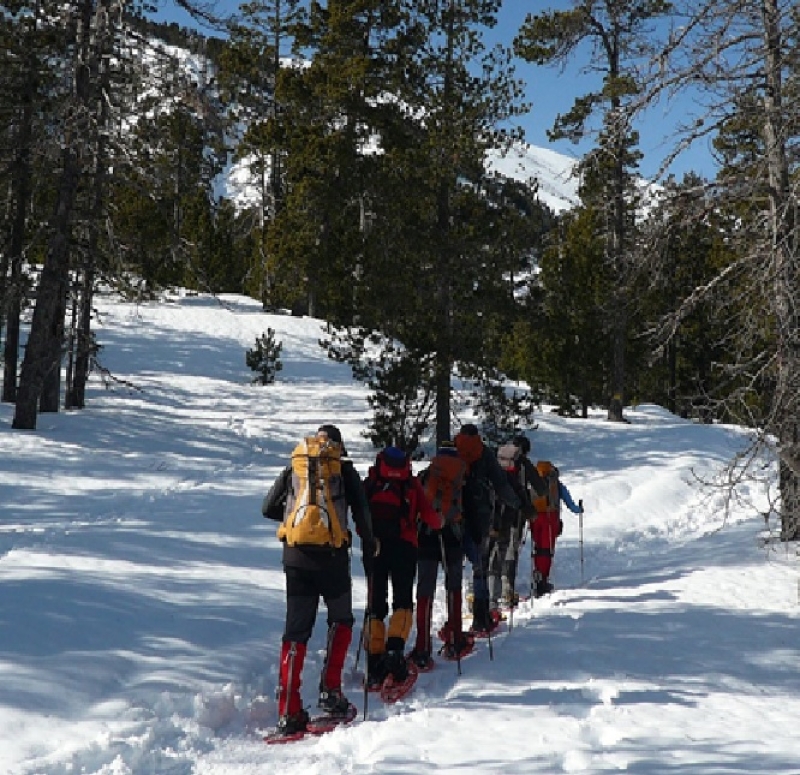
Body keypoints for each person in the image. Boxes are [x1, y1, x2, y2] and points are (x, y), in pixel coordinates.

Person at [261, 424, 378, 736]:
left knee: (296, 631)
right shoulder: (343, 470)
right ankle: (330, 693)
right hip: (333, 559)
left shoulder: (295, 467)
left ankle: (288, 710)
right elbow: (363, 515)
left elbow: (267, 507)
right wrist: (369, 541)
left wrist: (297, 520)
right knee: (340, 620)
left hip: (295, 557)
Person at [362, 445, 441, 688]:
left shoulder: (372, 482)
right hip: (405, 546)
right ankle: (395, 654)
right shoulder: (410, 483)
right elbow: (430, 517)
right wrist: (442, 521)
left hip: (374, 547)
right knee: (403, 601)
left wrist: (367, 537)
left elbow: (360, 514)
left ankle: (375, 660)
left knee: (375, 603)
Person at [454, 423, 523, 634]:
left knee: (454, 569)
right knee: (480, 567)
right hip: (480, 517)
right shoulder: (484, 454)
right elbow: (501, 484)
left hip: (453, 517)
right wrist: (517, 504)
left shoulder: (452, 450)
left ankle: (454, 622)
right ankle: (481, 617)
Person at [411, 440, 471, 667]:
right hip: (452, 537)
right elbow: (470, 507)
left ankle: (422, 648)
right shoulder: (462, 475)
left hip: (426, 535)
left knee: (424, 590)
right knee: (453, 587)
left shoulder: (426, 474)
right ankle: (456, 640)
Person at [489, 434, 546, 607]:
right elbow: (541, 489)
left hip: (493, 511)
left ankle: (488, 593)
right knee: (510, 549)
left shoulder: (495, 457)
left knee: (493, 550)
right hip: (516, 513)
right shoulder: (523, 463)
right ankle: (507, 589)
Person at [530, 461, 583, 597]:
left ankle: (537, 574)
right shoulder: (556, 485)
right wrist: (579, 509)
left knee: (538, 548)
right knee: (547, 550)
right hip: (550, 518)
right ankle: (543, 579)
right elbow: (569, 503)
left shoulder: (533, 482)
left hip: (535, 518)